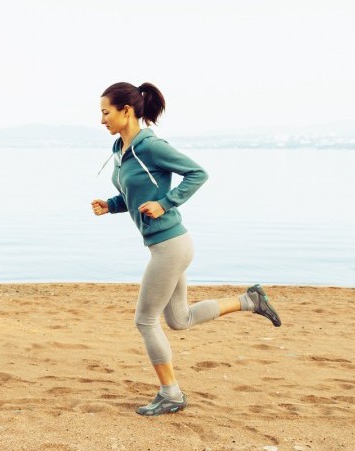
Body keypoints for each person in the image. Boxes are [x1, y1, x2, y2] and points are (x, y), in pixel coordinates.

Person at [91, 82, 282, 417]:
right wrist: (111, 205)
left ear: (126, 111)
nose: (101, 119)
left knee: (145, 321)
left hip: (171, 246)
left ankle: (171, 393)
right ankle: (250, 300)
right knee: (179, 319)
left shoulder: (150, 146)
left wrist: (166, 203)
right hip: (165, 246)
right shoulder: (120, 149)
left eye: (105, 112)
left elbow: (197, 173)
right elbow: (135, 195)